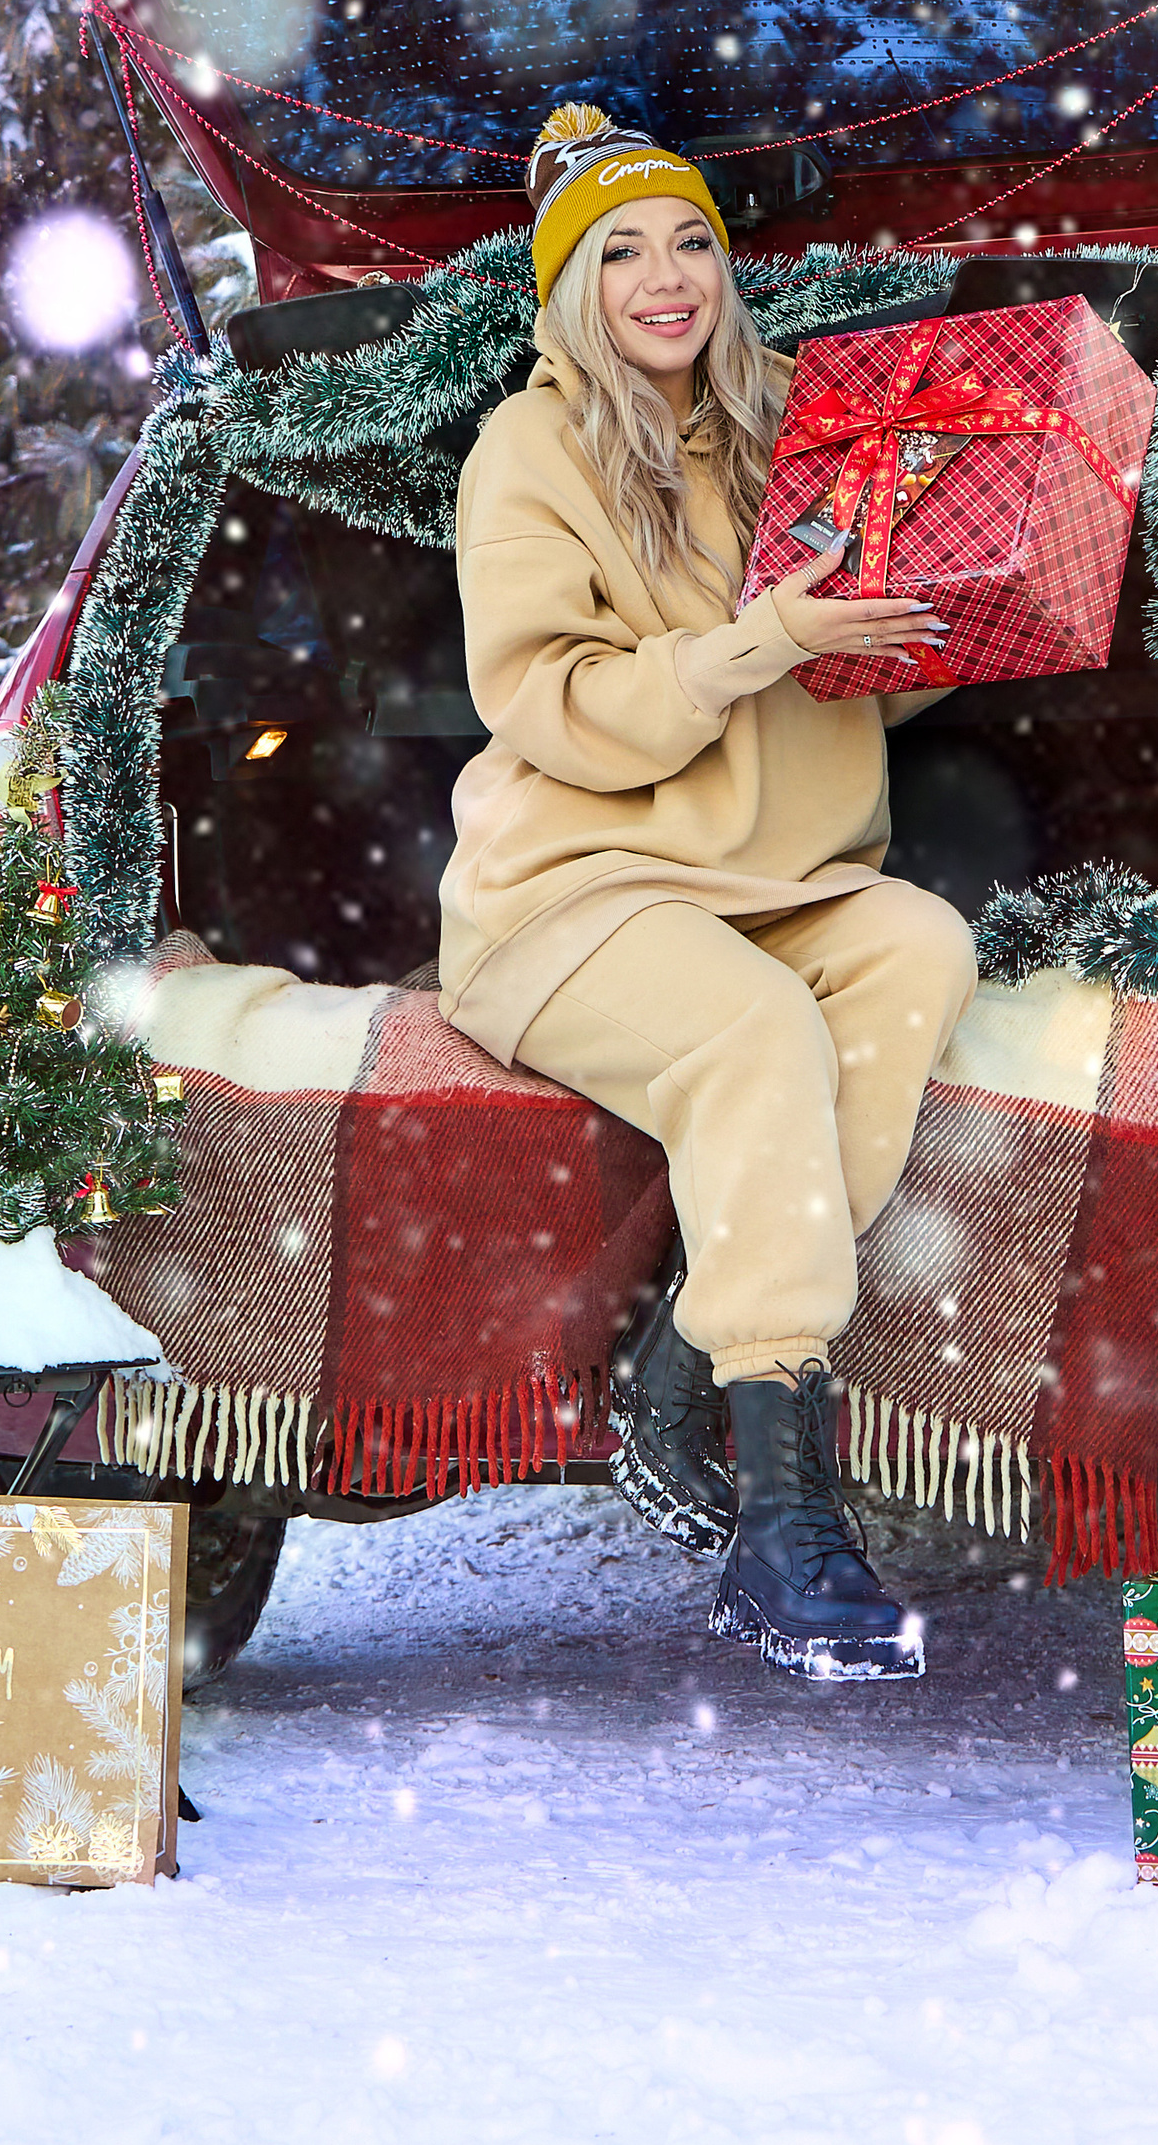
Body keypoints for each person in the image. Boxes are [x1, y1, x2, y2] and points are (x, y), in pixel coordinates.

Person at [437, 100, 977, 1680]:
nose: (666, 276)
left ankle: (685, 1356)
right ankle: (783, 1523)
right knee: (754, 1035)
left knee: (921, 945)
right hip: (576, 887)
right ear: (570, 288)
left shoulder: (780, 431)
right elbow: (553, 700)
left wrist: (938, 607)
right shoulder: (525, 451)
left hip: (780, 876)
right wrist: (759, 647)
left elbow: (854, 688)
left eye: (690, 242)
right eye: (622, 252)